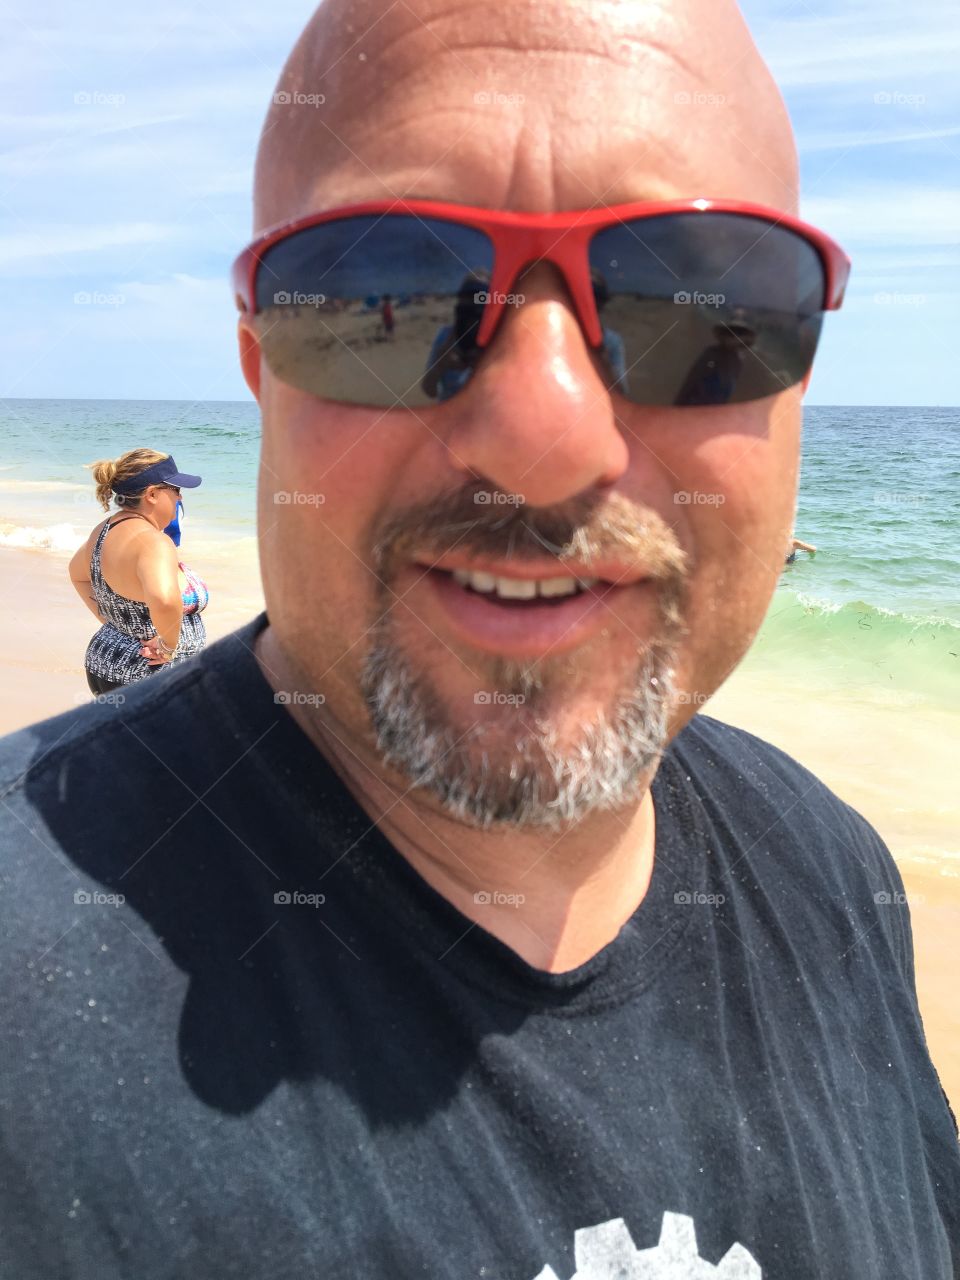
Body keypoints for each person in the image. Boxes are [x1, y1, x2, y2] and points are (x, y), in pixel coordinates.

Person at [1, 2, 957, 1277]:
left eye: (696, 299)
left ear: (797, 381)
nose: (545, 432)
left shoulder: (836, 874)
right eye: (383, 292)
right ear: (258, 366)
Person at [67, 449, 208, 694]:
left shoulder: (104, 530)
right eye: (175, 490)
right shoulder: (153, 542)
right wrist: (168, 645)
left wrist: (113, 622)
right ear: (152, 494)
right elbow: (164, 600)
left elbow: (77, 574)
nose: (180, 499)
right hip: (149, 674)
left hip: (105, 662)